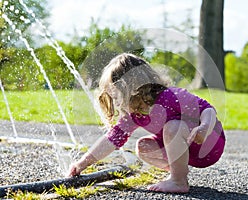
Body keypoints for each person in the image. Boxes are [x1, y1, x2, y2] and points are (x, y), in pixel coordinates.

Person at [68, 53, 226, 193]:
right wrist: (82, 163)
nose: (114, 101)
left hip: (209, 143)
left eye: (115, 94)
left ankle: (178, 182)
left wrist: (204, 128)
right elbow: (111, 139)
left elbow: (208, 109)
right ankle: (178, 170)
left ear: (130, 88)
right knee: (142, 147)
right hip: (188, 152)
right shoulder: (133, 115)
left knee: (173, 127)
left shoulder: (170, 97)